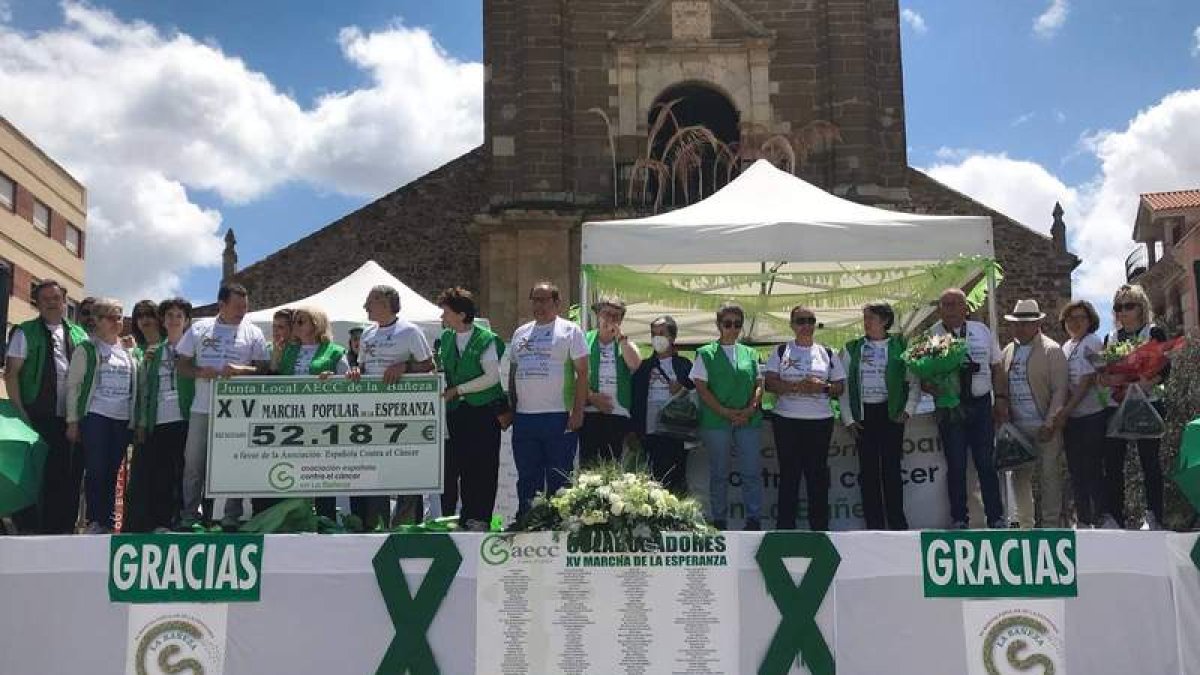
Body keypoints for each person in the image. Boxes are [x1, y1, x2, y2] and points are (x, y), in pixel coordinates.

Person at [175, 283, 269, 528]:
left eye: (245, 307)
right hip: (203, 407)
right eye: (237, 307)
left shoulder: (253, 332)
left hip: (239, 411)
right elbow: (181, 364)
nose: (242, 312)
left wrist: (242, 370)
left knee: (234, 462)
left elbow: (264, 369)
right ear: (221, 305)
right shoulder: (200, 328)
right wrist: (198, 371)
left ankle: (231, 516)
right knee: (194, 463)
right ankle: (189, 515)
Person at [3, 280, 89, 533]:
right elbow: (11, 374)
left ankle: (59, 531)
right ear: (37, 303)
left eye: (56, 298)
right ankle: (29, 531)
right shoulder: (24, 332)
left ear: (64, 301)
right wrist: (21, 416)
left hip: (69, 418)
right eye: (46, 299)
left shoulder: (78, 334)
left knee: (63, 476)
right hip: (36, 415)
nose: (52, 303)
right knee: (34, 477)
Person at [347, 284, 435, 527]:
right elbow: (364, 368)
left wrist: (404, 367)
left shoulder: (409, 331)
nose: (365, 307)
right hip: (373, 412)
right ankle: (378, 526)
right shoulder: (366, 334)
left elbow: (428, 365)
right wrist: (356, 370)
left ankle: (406, 527)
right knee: (377, 470)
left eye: (369, 302)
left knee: (406, 471)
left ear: (385, 304)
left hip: (404, 413)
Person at [926, 288, 1007, 529]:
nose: (949, 309)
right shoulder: (933, 335)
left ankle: (996, 518)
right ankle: (959, 518)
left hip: (981, 404)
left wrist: (1001, 398)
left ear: (965, 308)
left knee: (986, 463)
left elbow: (997, 367)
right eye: (944, 305)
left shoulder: (982, 331)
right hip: (951, 407)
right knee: (956, 464)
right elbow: (924, 377)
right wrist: (938, 389)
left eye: (954, 304)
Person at [508, 281, 588, 518]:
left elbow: (583, 372)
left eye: (544, 300)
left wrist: (578, 412)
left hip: (558, 415)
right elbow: (513, 373)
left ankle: (560, 523)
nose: (539, 305)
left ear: (557, 303)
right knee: (527, 475)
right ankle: (526, 519)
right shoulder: (520, 332)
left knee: (559, 475)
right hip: (525, 417)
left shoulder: (570, 331)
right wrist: (513, 408)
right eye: (535, 299)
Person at [839, 302, 921, 530]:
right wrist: (849, 419)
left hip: (891, 414)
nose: (866, 323)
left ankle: (897, 523)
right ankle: (873, 524)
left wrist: (908, 410)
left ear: (885, 321)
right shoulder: (851, 348)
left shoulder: (901, 346)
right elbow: (844, 387)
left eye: (871, 318)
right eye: (864, 318)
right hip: (864, 416)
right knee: (868, 472)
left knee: (892, 470)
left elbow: (913, 381)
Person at [764, 306, 845, 531]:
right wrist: (798, 386)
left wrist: (824, 387)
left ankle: (819, 528)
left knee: (817, 476)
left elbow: (840, 387)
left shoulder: (827, 352)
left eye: (811, 320)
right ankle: (785, 528)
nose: (806, 325)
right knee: (789, 475)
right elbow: (769, 383)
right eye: (801, 321)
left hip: (820, 421)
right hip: (787, 420)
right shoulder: (781, 351)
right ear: (792, 325)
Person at [65, 298, 139, 534]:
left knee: (112, 470)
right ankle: (95, 520)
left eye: (119, 316)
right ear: (97, 321)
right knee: (96, 469)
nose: (117, 322)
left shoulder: (129, 351)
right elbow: (73, 386)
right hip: (96, 415)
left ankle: (108, 521)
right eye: (110, 317)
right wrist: (73, 421)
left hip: (122, 418)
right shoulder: (87, 349)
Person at [1099, 284, 1169, 530]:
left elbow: (1164, 369)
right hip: (1117, 404)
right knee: (1113, 462)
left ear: (1141, 308)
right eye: (1119, 307)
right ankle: (1115, 516)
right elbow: (1105, 375)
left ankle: (1153, 515)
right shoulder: (1110, 338)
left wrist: (1142, 384)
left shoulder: (1154, 333)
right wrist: (1110, 379)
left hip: (1147, 403)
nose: (1123, 311)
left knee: (1149, 461)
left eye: (1129, 306)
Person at [436, 288, 506, 531]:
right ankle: (466, 516)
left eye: (446, 312)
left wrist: (459, 390)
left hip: (484, 410)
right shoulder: (445, 338)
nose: (442, 317)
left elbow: (491, 378)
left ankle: (481, 517)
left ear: (461, 314)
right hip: (458, 412)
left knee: (484, 466)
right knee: (463, 465)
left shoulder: (485, 339)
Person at [275, 306, 351, 522]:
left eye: (301, 321)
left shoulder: (335, 351)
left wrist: (333, 379)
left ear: (315, 325)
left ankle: (325, 519)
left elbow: (348, 383)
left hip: (323, 420)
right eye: (295, 322)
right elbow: (275, 379)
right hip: (291, 419)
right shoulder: (289, 350)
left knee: (322, 471)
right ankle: (296, 518)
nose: (295, 325)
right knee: (292, 471)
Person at [691, 303, 763, 531]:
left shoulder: (750, 353)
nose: (733, 328)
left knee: (751, 471)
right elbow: (701, 387)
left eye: (737, 324)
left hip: (748, 419)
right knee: (719, 472)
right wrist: (723, 411)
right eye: (728, 324)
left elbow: (760, 383)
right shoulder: (705, 353)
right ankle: (719, 520)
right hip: (716, 420)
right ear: (719, 325)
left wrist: (752, 407)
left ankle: (753, 519)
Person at [1000, 300, 1068, 528]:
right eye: (1017, 323)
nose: (1020, 328)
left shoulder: (1052, 350)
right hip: (1017, 426)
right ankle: (1026, 526)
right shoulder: (1008, 351)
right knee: (1020, 478)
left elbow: (1060, 389)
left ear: (1037, 323)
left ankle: (1050, 525)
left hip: (1043, 423)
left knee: (1050, 476)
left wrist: (1050, 422)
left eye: (1026, 323)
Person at [1055, 299, 1107, 528]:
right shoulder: (1066, 347)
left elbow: (1086, 383)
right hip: (1073, 419)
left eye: (1080, 318)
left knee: (1093, 467)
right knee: (1076, 470)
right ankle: (1083, 518)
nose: (1075, 323)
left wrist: (1065, 410)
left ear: (1090, 321)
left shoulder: (1092, 342)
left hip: (1091, 414)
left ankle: (1100, 516)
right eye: (1070, 318)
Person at [631, 316, 694, 493]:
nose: (657, 338)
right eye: (653, 334)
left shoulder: (685, 365)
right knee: (655, 475)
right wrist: (635, 430)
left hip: (677, 429)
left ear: (672, 338)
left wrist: (681, 388)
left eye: (661, 333)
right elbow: (635, 399)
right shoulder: (643, 367)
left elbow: (697, 394)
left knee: (677, 474)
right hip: (651, 429)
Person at [121, 299, 167, 532]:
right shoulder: (135, 352)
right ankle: (137, 527)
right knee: (140, 477)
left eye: (149, 315)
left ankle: (162, 522)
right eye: (140, 316)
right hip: (143, 422)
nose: (145, 320)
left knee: (164, 474)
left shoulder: (171, 347)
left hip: (168, 420)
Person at [580, 297, 641, 467]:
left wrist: (621, 339)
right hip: (590, 412)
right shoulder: (583, 340)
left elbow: (635, 364)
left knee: (612, 466)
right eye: (607, 314)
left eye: (616, 316)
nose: (611, 319)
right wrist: (591, 397)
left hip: (618, 414)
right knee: (589, 465)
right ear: (598, 315)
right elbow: (574, 375)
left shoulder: (626, 343)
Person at [267, 308, 295, 374]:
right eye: (274, 326)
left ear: (292, 329)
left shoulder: (299, 349)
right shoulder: (266, 348)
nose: (275, 330)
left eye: (280, 327)